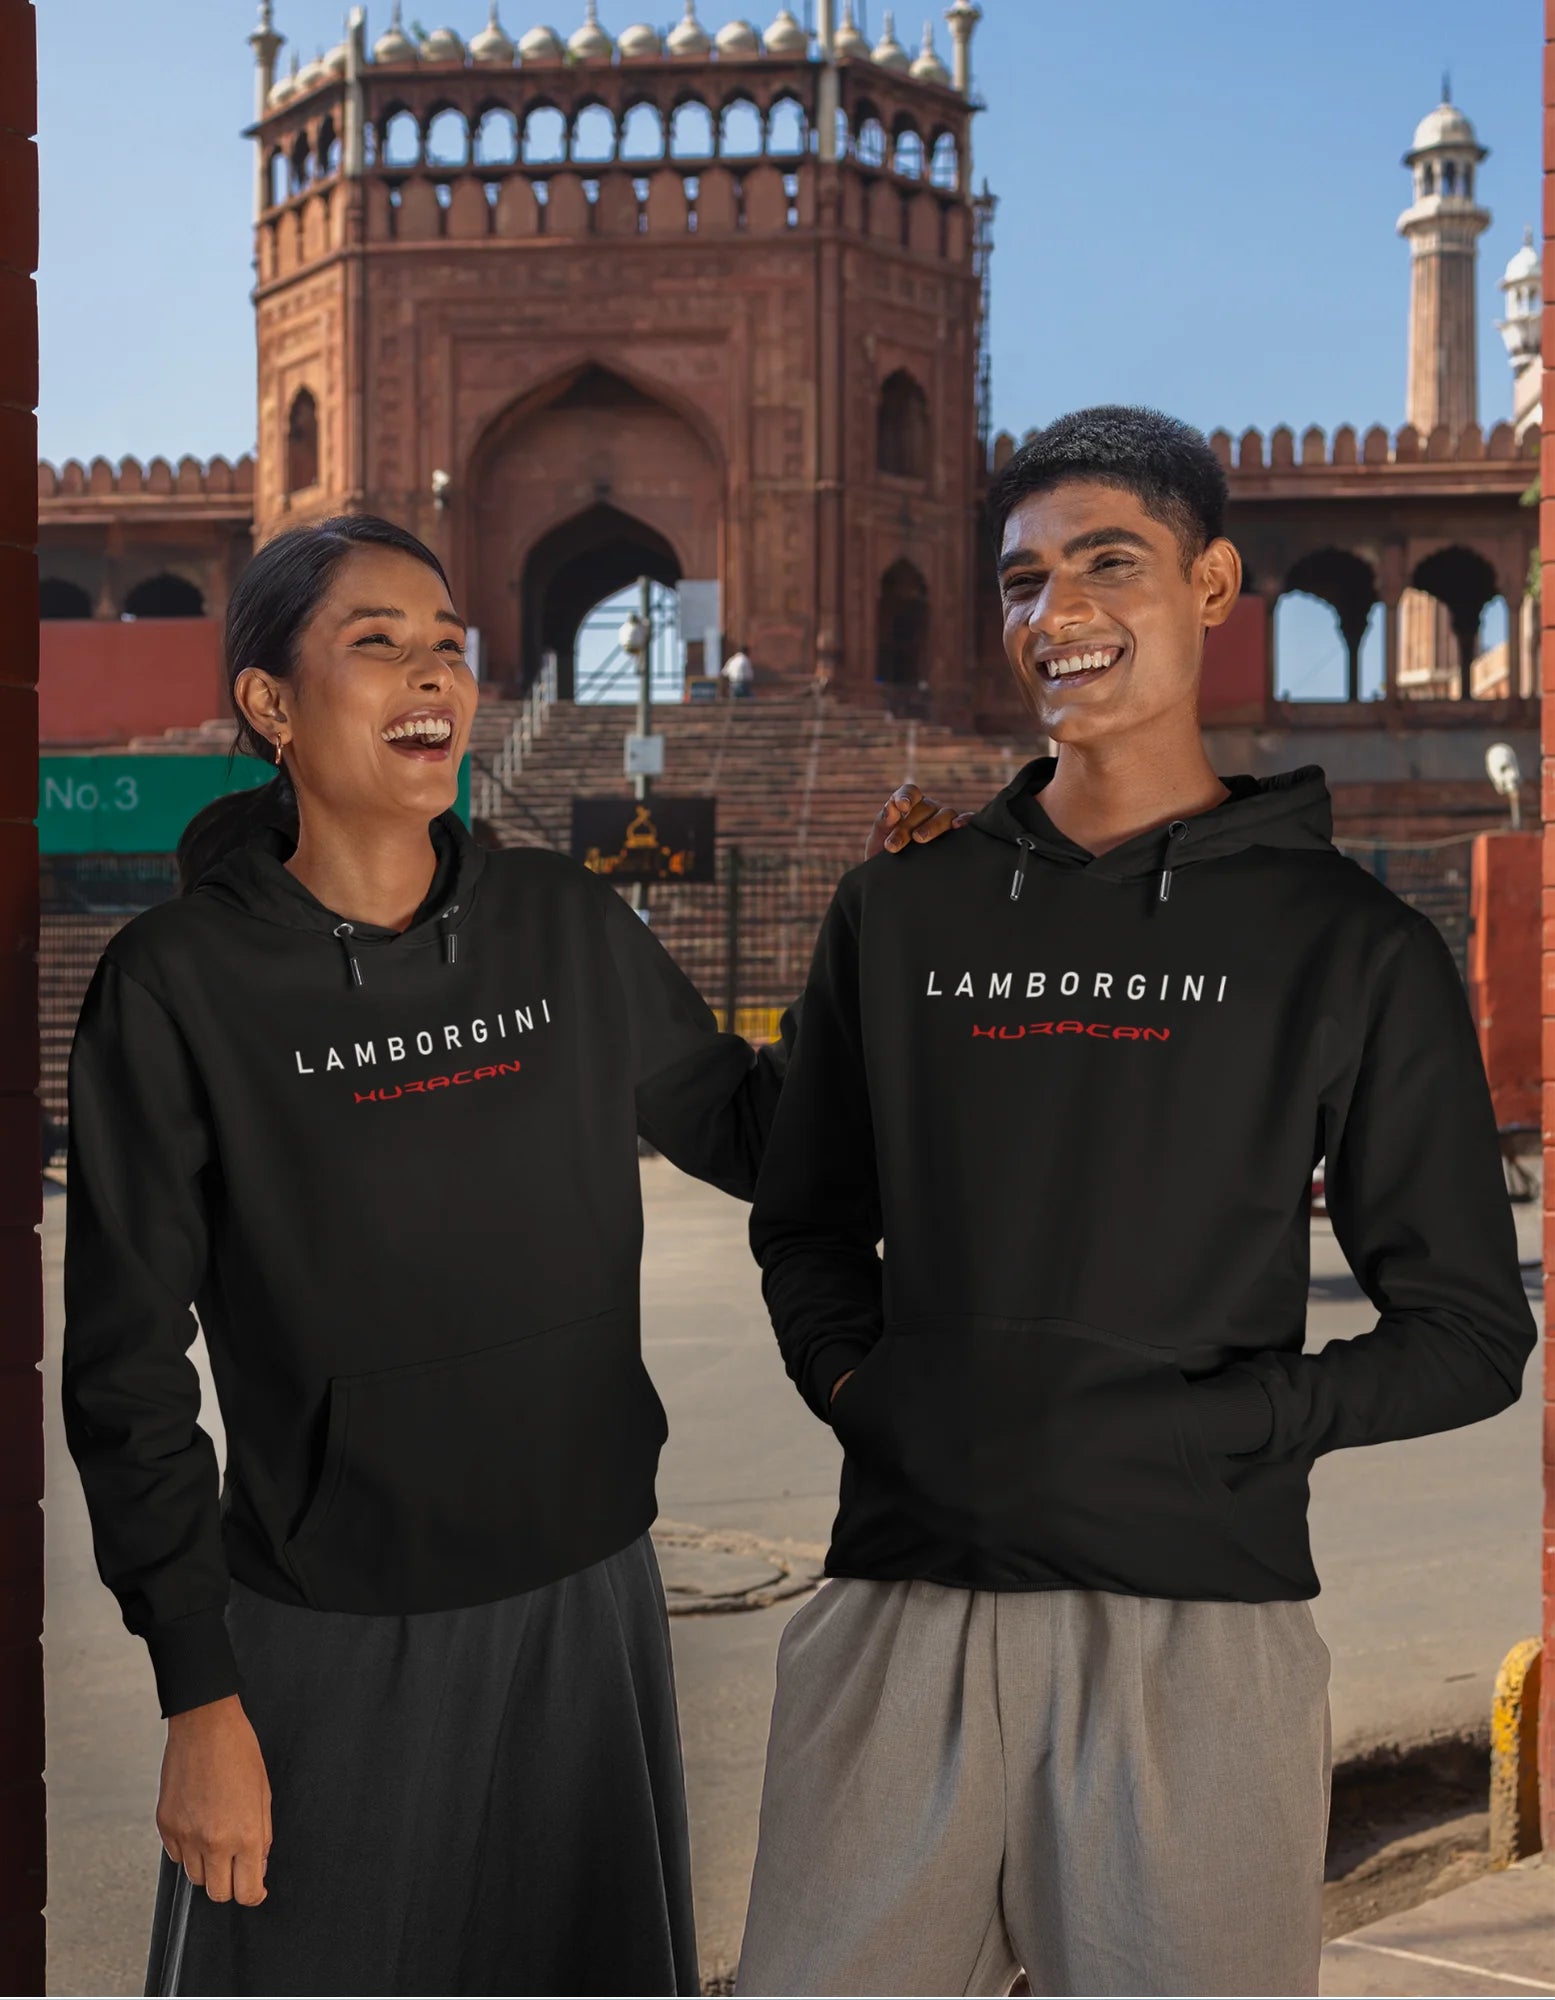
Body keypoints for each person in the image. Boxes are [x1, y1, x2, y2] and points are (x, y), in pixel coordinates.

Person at [60, 514, 961, 1999]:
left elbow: (760, 1137)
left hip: (585, 1605)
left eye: (449, 645)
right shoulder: (180, 989)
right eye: (377, 642)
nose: (433, 675)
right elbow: (124, 1372)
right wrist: (200, 1696)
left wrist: (878, 943)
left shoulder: (560, 928)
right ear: (270, 707)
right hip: (329, 1634)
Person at [737, 407, 1537, 1998]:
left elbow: (1467, 1330)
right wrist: (861, 1389)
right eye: (1025, 580)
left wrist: (1213, 1430)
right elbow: (806, 1220)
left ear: (1217, 580)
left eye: (1111, 562)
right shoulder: (900, 913)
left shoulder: (1343, 944)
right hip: (904, 1606)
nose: (1059, 615)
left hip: (1198, 1633)